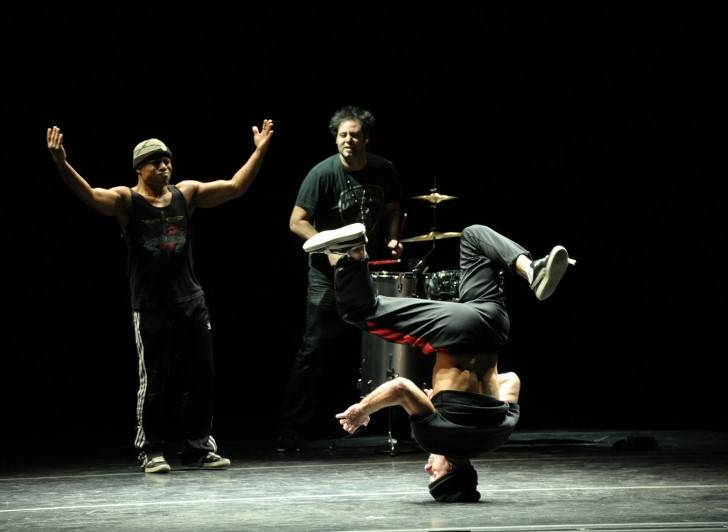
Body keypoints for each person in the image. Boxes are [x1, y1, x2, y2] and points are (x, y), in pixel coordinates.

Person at [46, 119, 275, 473]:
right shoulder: (127, 200)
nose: (164, 166)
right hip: (151, 306)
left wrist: (259, 151)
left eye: (167, 160)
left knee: (202, 377)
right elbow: (90, 195)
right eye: (155, 162)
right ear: (139, 168)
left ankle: (197, 447)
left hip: (191, 301)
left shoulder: (187, 193)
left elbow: (234, 187)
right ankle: (150, 449)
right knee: (154, 381)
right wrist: (62, 162)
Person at [303, 222, 573, 501]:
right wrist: (362, 410)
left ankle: (530, 269)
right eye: (434, 474)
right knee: (362, 312)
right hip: (458, 331)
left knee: (474, 236)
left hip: (495, 325)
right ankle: (354, 252)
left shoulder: (497, 437)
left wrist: (460, 392)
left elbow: (511, 381)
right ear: (451, 471)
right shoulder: (435, 438)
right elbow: (401, 388)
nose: (427, 467)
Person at [278, 106, 403, 451]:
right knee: (315, 347)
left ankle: (375, 421)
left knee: (376, 345)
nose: (348, 140)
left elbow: (394, 208)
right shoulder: (322, 173)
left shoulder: (384, 169)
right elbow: (296, 221)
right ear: (336, 139)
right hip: (327, 272)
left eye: (354, 135)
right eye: (342, 135)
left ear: (366, 139)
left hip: (366, 268)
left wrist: (394, 237)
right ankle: (292, 428)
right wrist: (328, 247)